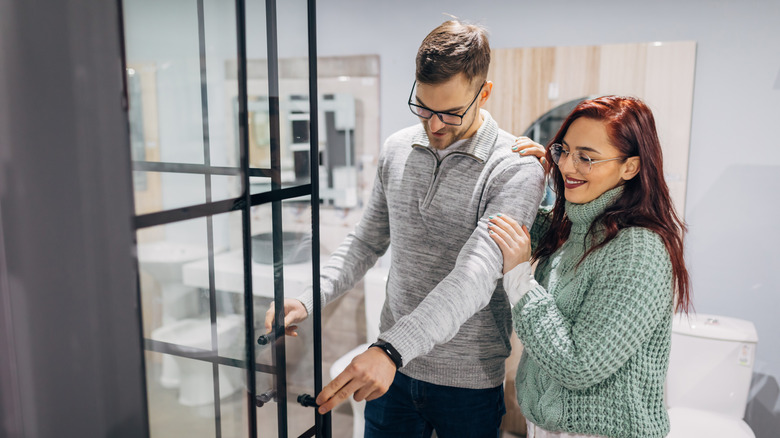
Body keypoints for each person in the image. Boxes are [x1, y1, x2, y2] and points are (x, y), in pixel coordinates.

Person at [265, 20, 545, 437]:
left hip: (466, 381)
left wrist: (390, 350)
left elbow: (475, 275)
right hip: (392, 374)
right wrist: (308, 298)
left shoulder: (516, 168)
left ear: (483, 93)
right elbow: (365, 240)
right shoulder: (396, 149)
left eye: (451, 112)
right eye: (423, 107)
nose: (434, 125)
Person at [487, 95, 692, 438]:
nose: (567, 167)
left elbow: (579, 364)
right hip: (543, 425)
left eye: (586, 157)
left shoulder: (637, 250)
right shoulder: (572, 226)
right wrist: (530, 175)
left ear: (631, 167)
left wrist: (520, 276)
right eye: (563, 151)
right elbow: (520, 225)